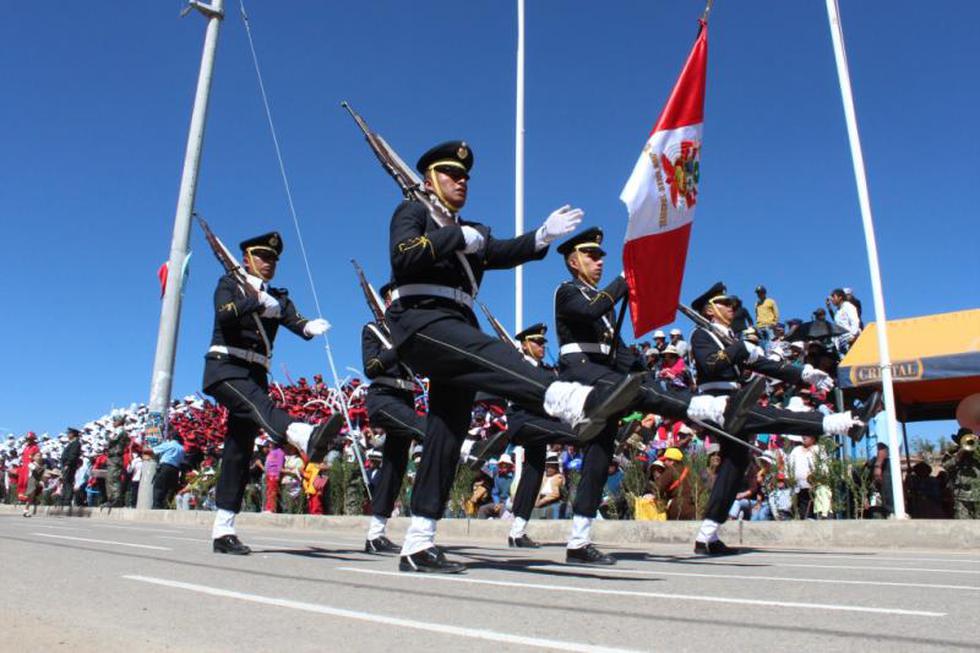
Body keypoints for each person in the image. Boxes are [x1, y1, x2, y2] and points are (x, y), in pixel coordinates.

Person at [385, 141, 644, 573]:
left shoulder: (476, 231)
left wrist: (543, 235)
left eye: (466, 176)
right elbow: (404, 256)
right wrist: (454, 236)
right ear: (430, 179)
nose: (462, 180)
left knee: (445, 436)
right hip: (420, 319)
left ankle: (418, 542)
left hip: (456, 319)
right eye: (452, 174)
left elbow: (504, 252)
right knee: (496, 354)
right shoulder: (411, 212)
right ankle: (568, 400)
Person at [553, 230, 763, 564]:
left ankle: (578, 542)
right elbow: (591, 311)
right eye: (592, 255)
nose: (599, 260)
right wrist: (628, 275)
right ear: (573, 261)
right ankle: (711, 409)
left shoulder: (603, 305)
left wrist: (643, 369)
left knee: (598, 458)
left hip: (604, 379)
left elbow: (619, 352)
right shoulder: (568, 292)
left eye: (600, 255)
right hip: (580, 372)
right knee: (644, 394)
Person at [688, 282, 876, 554]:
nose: (732, 308)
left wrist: (804, 374)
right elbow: (712, 364)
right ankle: (846, 422)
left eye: (733, 304)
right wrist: (740, 349)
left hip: (735, 401)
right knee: (774, 416)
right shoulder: (701, 335)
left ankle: (707, 536)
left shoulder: (730, 338)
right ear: (709, 310)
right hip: (716, 403)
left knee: (734, 465)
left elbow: (767, 365)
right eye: (726, 304)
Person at [202, 231, 343, 555]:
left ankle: (223, 530)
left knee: (238, 451)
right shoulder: (230, 285)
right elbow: (224, 313)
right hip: (224, 367)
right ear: (247, 258)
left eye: (274, 259)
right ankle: (301, 434)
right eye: (263, 256)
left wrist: (308, 327)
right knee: (259, 403)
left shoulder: (278, 297)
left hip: (255, 372)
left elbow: (294, 320)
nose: (270, 263)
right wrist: (255, 300)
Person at [361, 282, 426, 554]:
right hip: (383, 396)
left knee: (394, 468)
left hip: (406, 398)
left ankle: (375, 535)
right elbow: (371, 367)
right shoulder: (373, 329)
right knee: (422, 428)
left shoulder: (411, 333)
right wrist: (398, 347)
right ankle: (467, 447)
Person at [942, 428, 979, 519]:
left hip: (978, 494)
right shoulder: (952, 452)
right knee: (962, 524)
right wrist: (960, 453)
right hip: (961, 496)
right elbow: (946, 466)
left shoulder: (977, 450)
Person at [655, 448, 697, 520]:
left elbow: (657, 488)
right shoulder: (691, 471)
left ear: (672, 461)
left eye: (665, 460)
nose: (664, 463)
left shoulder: (670, 471)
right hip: (693, 509)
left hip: (677, 508)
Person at [152, 434, 185, 509]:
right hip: (175, 469)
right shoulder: (182, 449)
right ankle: (166, 506)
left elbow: (153, 450)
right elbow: (182, 461)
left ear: (171, 438)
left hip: (165, 467)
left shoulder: (169, 444)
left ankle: (157, 506)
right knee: (170, 488)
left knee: (159, 487)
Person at [104, 412, 128, 508]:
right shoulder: (117, 430)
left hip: (115, 457)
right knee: (110, 478)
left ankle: (116, 499)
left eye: (115, 420)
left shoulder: (120, 430)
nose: (113, 422)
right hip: (112, 457)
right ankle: (112, 499)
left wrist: (106, 435)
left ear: (119, 421)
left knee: (113, 478)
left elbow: (112, 439)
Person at [826, 288, 861, 354]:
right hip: (841, 343)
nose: (832, 299)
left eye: (833, 296)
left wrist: (853, 336)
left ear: (840, 297)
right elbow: (837, 321)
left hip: (850, 340)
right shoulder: (838, 311)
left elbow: (855, 321)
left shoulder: (848, 306)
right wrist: (829, 307)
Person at [60, 428, 82, 507]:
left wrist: (68, 464)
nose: (68, 435)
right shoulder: (72, 443)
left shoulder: (76, 443)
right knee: (65, 482)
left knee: (68, 482)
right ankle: (64, 498)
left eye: (69, 433)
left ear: (73, 434)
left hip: (69, 466)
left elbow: (73, 455)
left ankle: (67, 500)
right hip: (66, 465)